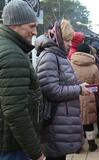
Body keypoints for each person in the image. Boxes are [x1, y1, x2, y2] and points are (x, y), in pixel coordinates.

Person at [35, 19, 89, 160]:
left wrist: (77, 86)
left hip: (60, 121)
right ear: (58, 38)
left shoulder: (57, 56)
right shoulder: (50, 56)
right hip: (54, 122)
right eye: (67, 40)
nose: (70, 44)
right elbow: (51, 90)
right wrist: (78, 89)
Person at [0, 1, 44, 160]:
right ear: (14, 25)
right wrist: (37, 153)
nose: (35, 32)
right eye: (31, 26)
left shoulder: (7, 48)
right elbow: (15, 112)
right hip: (11, 146)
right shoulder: (12, 55)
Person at [71, 43, 99, 151]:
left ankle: (77, 147)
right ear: (88, 52)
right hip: (89, 96)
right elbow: (98, 83)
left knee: (76, 122)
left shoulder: (70, 64)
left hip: (74, 95)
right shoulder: (93, 66)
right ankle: (92, 144)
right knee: (88, 122)